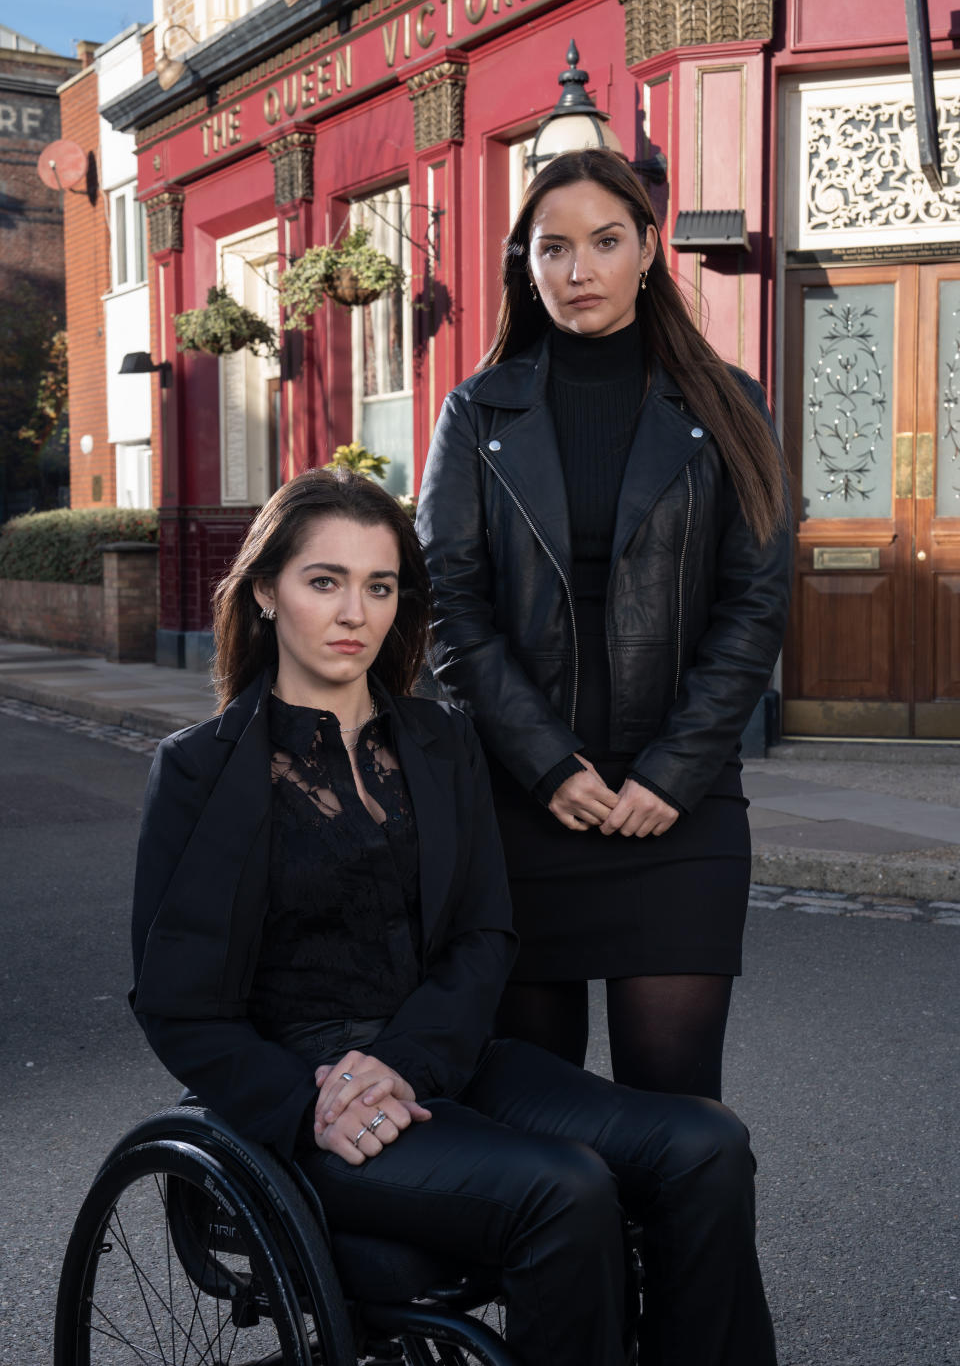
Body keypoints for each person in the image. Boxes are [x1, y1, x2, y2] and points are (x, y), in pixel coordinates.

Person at [131, 467, 778, 1366]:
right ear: (269, 593)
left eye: (380, 585)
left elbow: (483, 936)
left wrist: (402, 1060)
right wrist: (311, 1104)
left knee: (707, 1143)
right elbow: (178, 1003)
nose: (354, 611)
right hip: (308, 1093)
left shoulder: (442, 743)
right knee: (568, 1189)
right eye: (326, 581)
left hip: (447, 1057)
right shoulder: (198, 770)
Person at [417, 148, 793, 1102]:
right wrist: (547, 764)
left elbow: (755, 603)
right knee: (540, 1123)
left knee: (677, 1115)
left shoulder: (729, 404)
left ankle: (684, 1263)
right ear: (524, 263)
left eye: (605, 241)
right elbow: (449, 606)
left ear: (649, 249)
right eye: (553, 248)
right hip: (519, 803)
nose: (578, 270)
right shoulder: (476, 413)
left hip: (683, 808)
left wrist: (671, 772)